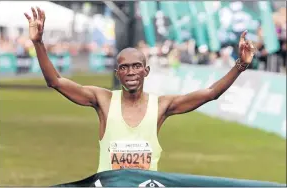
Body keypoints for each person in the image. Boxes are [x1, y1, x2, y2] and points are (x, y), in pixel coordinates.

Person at [24, 7, 255, 173]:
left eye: (136, 66)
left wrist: (240, 65)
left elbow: (210, 93)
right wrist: (38, 43)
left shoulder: (161, 105)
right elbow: (55, 80)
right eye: (124, 67)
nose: (131, 71)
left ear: (146, 71)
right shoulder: (103, 100)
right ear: (117, 74)